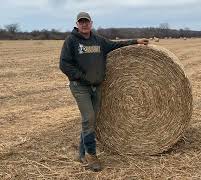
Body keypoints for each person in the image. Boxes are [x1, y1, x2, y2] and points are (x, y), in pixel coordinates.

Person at [59, 12, 148, 172]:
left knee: (90, 120)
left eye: (86, 22)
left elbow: (115, 45)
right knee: (89, 117)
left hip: (96, 86)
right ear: (77, 24)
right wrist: (82, 77)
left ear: (91, 23)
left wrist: (136, 41)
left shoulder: (98, 40)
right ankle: (91, 156)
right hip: (80, 86)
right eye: (81, 22)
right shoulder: (71, 41)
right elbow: (64, 64)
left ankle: (81, 153)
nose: (84, 24)